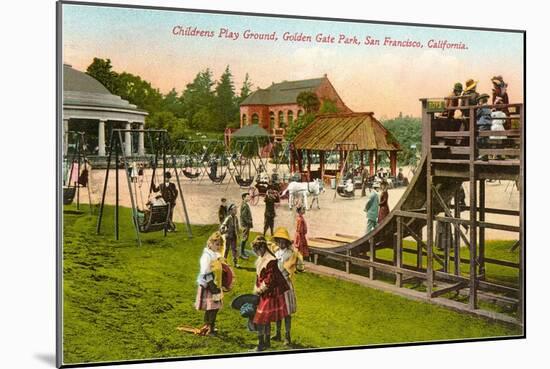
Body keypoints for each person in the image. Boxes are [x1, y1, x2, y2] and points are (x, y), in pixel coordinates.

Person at [251, 236, 290, 352]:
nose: (257, 253)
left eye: (258, 250)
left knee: (261, 318)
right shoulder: (261, 258)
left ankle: (261, 344)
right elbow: (258, 277)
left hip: (272, 292)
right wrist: (256, 287)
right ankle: (266, 342)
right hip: (265, 291)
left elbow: (270, 280)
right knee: (265, 319)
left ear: (263, 248)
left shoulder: (270, 260)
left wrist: (260, 290)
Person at [271, 227, 304, 346]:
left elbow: (299, 266)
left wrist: (297, 265)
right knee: (278, 310)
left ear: (286, 242)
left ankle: (287, 336)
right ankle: (277, 333)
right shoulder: (276, 252)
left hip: (285, 284)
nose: (280, 243)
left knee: (286, 311)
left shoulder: (291, 254)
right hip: (276, 284)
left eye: (282, 241)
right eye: (278, 241)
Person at [195, 232, 227, 336]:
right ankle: (209, 327)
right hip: (209, 285)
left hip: (216, 283)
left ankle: (209, 326)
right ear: (210, 243)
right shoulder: (206, 256)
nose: (218, 247)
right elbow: (205, 272)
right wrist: (212, 286)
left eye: (220, 245)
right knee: (212, 307)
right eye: (216, 244)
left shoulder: (216, 255)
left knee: (214, 307)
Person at [220, 203, 240, 268]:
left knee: (234, 249)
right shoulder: (228, 218)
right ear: (231, 210)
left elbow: (237, 227)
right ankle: (224, 262)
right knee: (226, 249)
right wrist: (224, 230)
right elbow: (223, 225)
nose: (236, 211)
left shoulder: (236, 218)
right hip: (228, 236)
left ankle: (235, 263)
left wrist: (238, 234)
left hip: (234, 236)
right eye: (234, 209)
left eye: (236, 209)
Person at [476, 93, 492, 160]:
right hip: (488, 125)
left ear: (481, 100)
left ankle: (482, 154)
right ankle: (485, 155)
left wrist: (478, 107)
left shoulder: (481, 107)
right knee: (485, 140)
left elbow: (476, 114)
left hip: (482, 125)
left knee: (479, 140)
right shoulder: (488, 107)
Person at [240, 193, 253, 260]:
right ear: (244, 198)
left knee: (245, 238)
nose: (249, 198)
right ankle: (241, 254)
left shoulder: (245, 204)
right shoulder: (245, 205)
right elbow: (244, 216)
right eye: (247, 197)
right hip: (245, 224)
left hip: (245, 224)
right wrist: (249, 222)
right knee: (244, 238)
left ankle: (242, 252)